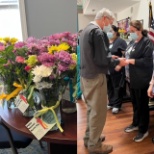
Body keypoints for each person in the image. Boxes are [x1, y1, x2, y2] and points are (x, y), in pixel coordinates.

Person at [79, 8, 128, 154]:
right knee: (98, 112)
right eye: (110, 22)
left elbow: (95, 55)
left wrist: (110, 58)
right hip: (95, 77)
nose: (109, 25)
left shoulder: (86, 30)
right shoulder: (98, 32)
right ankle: (95, 145)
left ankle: (90, 138)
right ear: (104, 18)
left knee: (91, 109)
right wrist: (119, 62)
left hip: (86, 75)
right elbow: (101, 60)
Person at [124, 20, 153, 142]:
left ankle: (143, 129)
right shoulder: (132, 42)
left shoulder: (147, 43)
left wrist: (132, 61)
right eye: (129, 31)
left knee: (142, 106)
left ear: (139, 30)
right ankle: (135, 123)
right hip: (131, 78)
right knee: (135, 104)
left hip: (142, 79)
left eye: (132, 31)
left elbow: (147, 62)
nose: (130, 34)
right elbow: (128, 55)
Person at [106, 25, 127, 114]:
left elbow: (125, 55)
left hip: (117, 68)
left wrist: (120, 65)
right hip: (108, 69)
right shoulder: (107, 42)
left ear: (116, 32)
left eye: (111, 31)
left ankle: (117, 105)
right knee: (109, 86)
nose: (109, 33)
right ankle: (111, 102)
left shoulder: (120, 42)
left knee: (117, 87)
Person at [76, 29, 83, 99]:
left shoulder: (79, 45)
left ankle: (78, 94)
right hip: (80, 62)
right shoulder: (79, 45)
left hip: (80, 62)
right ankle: (78, 94)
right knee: (80, 79)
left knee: (79, 79)